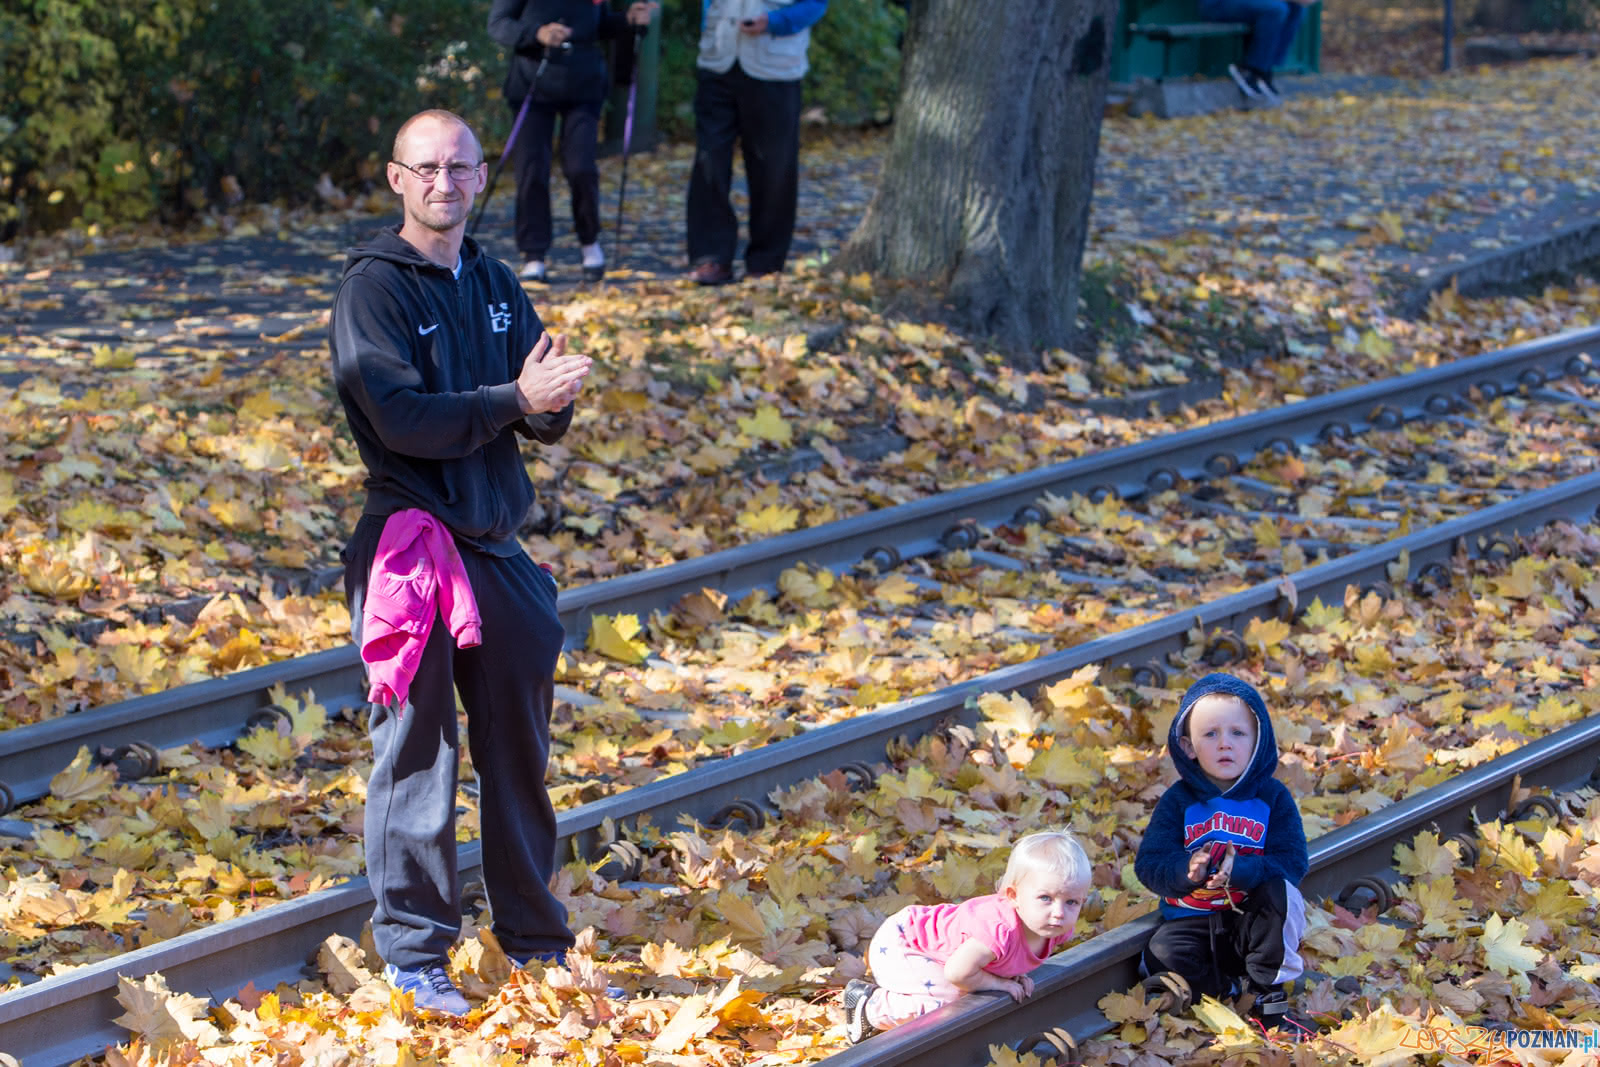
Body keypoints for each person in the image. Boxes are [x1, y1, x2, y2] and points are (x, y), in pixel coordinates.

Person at [328, 109, 594, 1016]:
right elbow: (402, 419)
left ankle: (534, 937)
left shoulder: (492, 277)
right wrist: (515, 397)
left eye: (461, 168)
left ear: (483, 179)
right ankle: (415, 953)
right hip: (410, 547)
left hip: (495, 546)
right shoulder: (374, 290)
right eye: (427, 168)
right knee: (418, 755)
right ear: (397, 179)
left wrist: (549, 403)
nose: (445, 182)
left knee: (520, 747)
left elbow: (532, 403)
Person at [1133, 673, 1312, 1037]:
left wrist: (1242, 870)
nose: (1224, 744)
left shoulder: (1272, 797)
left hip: (1250, 919)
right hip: (1192, 922)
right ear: (1187, 746)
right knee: (1161, 953)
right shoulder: (1179, 800)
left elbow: (1293, 862)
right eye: (1210, 734)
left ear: (1258, 741)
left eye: (1237, 733)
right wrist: (1186, 870)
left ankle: (1268, 999)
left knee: (1282, 895)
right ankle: (1222, 990)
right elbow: (1150, 863)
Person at [841, 831, 1092, 1044]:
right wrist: (1000, 984)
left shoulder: (1054, 926)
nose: (1059, 913)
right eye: (1045, 898)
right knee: (949, 1000)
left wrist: (1014, 974)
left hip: (934, 951)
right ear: (1014, 896)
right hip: (901, 943)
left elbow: (1007, 957)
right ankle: (869, 1007)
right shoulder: (999, 931)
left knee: (964, 992)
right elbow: (957, 973)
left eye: (1072, 902)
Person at [488, 0, 659, 284]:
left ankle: (589, 241)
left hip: (584, 85)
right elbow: (498, 24)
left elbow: (598, 25)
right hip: (533, 79)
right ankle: (534, 254)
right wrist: (537, 33)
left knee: (581, 167)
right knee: (532, 171)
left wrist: (627, 20)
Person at [686, 0, 828, 286]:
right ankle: (711, 257)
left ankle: (766, 262)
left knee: (773, 168)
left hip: (775, 69)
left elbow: (816, 4)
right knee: (709, 161)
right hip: (717, 62)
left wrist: (773, 22)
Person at [1200, 0, 1316, 104]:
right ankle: (1252, 69)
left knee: (1297, 9)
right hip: (1218, 5)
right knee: (1276, 9)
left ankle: (1266, 67)